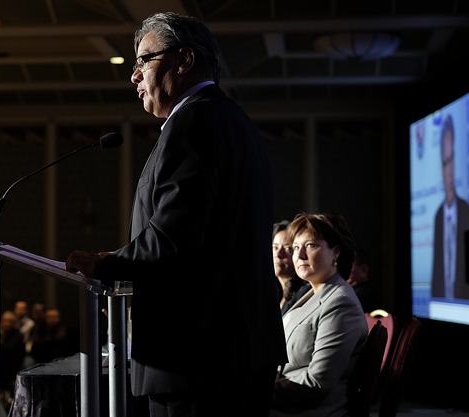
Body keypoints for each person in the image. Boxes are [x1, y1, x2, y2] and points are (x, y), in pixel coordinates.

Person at [65, 12, 286, 417]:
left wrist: (105, 264)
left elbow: (175, 239)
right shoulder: (229, 119)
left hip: (198, 356)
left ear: (183, 60)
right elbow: (197, 229)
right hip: (226, 349)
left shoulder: (195, 121)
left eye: (143, 61)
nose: (134, 76)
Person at [270, 213, 367, 417]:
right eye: (296, 247)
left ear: (336, 253)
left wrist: (256, 390)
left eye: (311, 245)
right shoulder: (313, 292)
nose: (300, 255)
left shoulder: (340, 302)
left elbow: (316, 383)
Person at [431, 114, 469, 300]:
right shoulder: (438, 215)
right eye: (444, 162)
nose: (448, 171)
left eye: (451, 159)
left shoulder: (465, 210)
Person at [272, 220, 311, 315]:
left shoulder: (305, 294)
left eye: (287, 248)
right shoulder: (274, 294)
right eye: (275, 247)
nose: (278, 254)